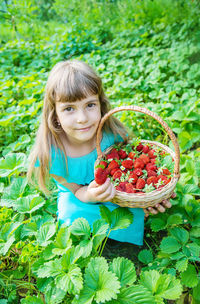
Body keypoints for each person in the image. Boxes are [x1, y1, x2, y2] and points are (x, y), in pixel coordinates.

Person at [27, 59, 173, 245]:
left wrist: (148, 195)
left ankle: (132, 215)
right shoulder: (52, 153)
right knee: (70, 214)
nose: (82, 119)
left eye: (90, 105)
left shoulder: (111, 136)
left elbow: (128, 174)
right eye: (69, 109)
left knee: (140, 203)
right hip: (79, 195)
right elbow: (75, 190)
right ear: (55, 116)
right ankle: (122, 222)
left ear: (101, 105)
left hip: (115, 190)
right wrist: (90, 194)